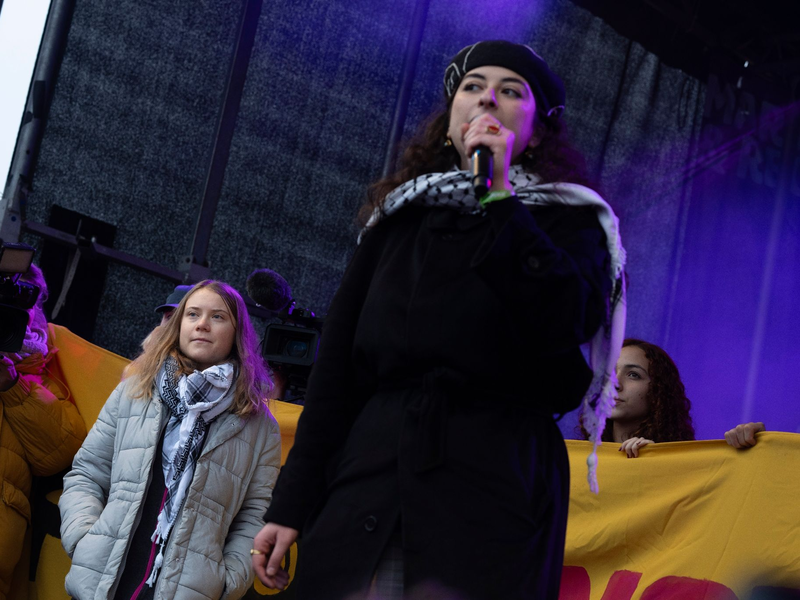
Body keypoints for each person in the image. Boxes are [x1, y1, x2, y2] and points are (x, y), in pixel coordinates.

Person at [252, 40, 626, 600]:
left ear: (541, 129)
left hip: (491, 488)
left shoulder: (574, 220)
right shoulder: (397, 219)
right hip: (371, 473)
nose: (487, 100)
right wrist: (292, 505)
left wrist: (498, 198)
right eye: (472, 88)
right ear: (450, 122)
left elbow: (565, 316)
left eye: (510, 91)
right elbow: (336, 374)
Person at [59, 280, 281, 600]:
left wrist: (226, 582)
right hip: (101, 585)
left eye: (217, 317)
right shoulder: (135, 391)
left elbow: (255, 517)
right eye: (192, 314)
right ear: (178, 325)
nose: (202, 324)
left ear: (237, 333)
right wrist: (83, 538)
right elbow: (87, 473)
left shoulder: (260, 427)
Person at [0, 264, 87, 600]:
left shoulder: (43, 379)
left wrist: (11, 383)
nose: (27, 313)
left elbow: (61, 449)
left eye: (31, 302)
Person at [581, 338, 695, 457]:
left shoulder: (683, 463)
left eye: (633, 375)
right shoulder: (580, 460)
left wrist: (654, 459)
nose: (614, 384)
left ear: (659, 389)